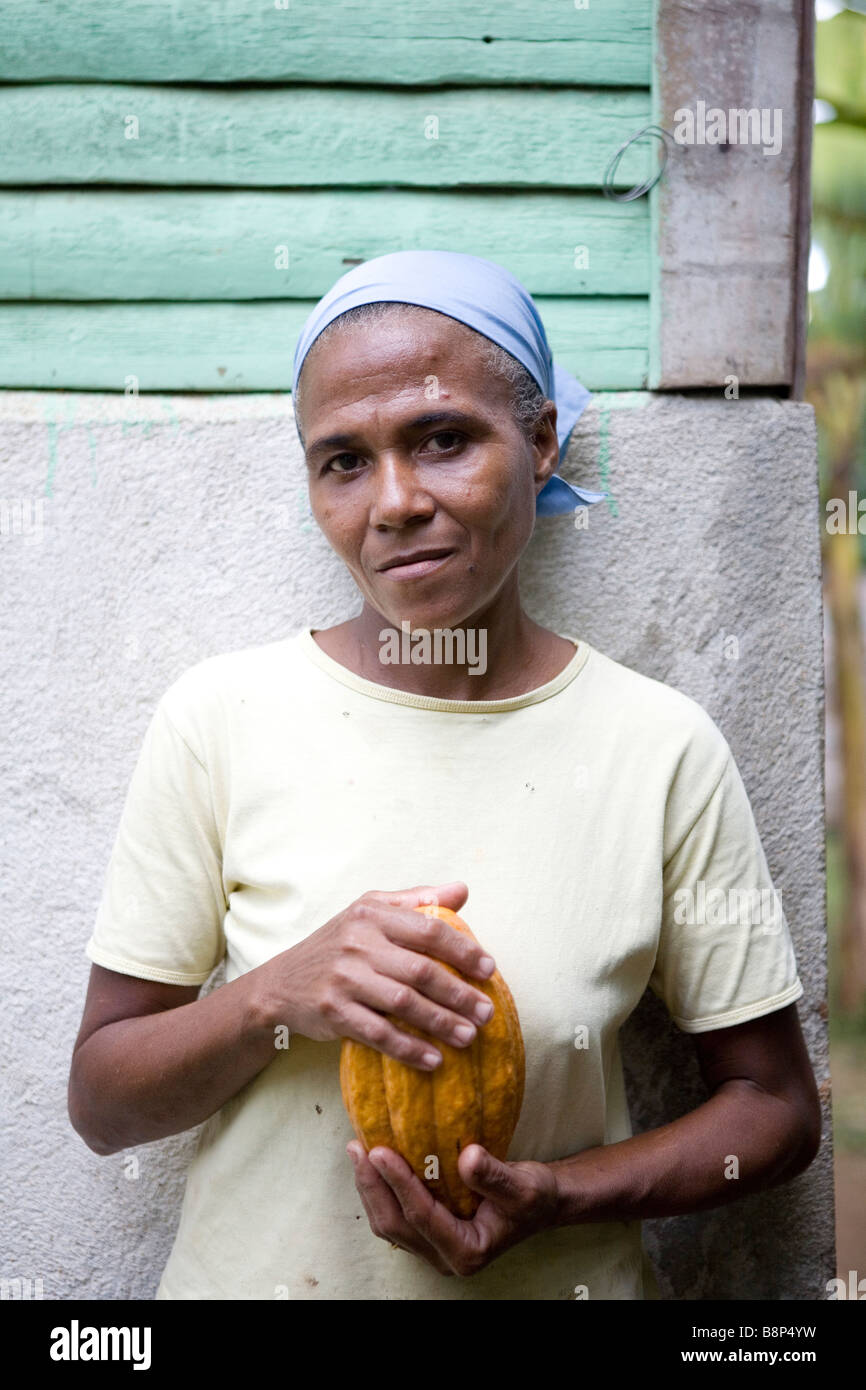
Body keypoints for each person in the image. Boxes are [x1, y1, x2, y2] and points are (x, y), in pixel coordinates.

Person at [68, 250, 821, 1301]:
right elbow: (103, 1104)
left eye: (442, 439)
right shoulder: (219, 720)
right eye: (342, 461)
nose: (394, 502)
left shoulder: (657, 748)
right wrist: (276, 995)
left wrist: (558, 1193)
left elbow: (774, 1110)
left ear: (541, 441)